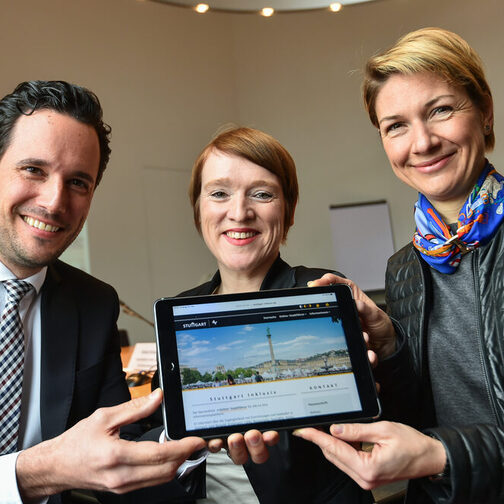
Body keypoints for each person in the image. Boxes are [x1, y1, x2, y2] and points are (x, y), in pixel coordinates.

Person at [294, 27, 504, 503]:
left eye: (441, 110)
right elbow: (416, 418)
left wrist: (440, 454)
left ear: (485, 110)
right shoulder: (404, 268)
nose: (423, 142)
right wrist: (389, 346)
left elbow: (430, 446)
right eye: (396, 126)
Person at [0, 80, 206, 504]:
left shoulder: (93, 303)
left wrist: (184, 440)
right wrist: (35, 473)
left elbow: (116, 446)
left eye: (78, 182)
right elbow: (61, 467)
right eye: (33, 169)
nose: (55, 202)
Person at [165, 126, 373, 503]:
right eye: (219, 193)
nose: (240, 212)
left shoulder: (323, 292)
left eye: (262, 194)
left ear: (288, 211)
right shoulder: (180, 310)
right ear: (198, 210)